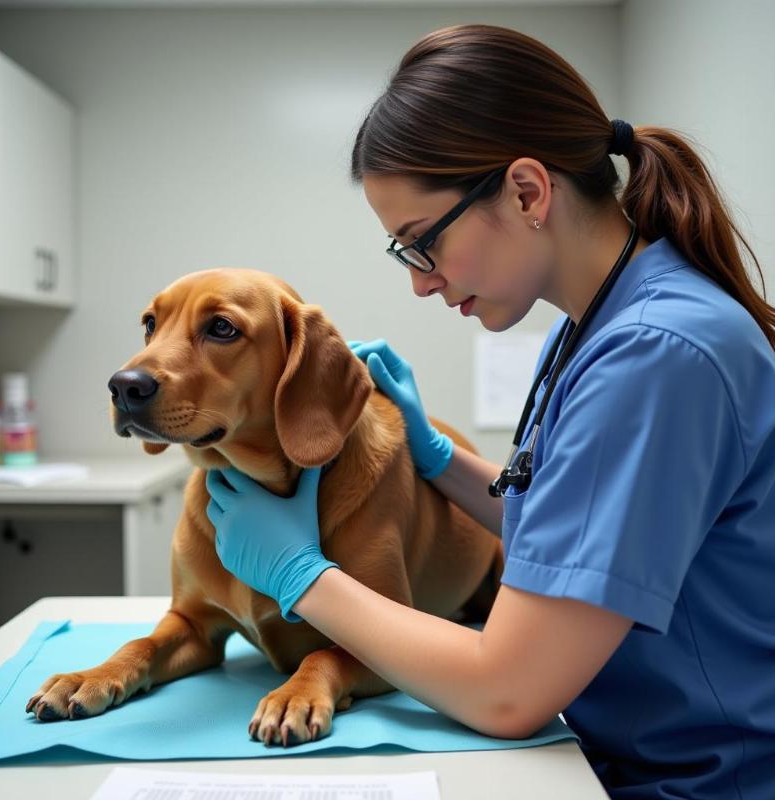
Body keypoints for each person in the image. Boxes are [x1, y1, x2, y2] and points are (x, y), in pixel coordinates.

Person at [205, 24, 775, 799]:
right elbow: (577, 534)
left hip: (699, 782)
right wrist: (437, 460)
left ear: (527, 191)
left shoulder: (657, 354)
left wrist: (301, 577)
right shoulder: (592, 325)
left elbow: (506, 690)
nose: (421, 282)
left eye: (421, 243)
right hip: (611, 752)